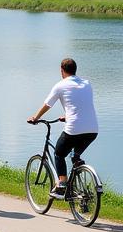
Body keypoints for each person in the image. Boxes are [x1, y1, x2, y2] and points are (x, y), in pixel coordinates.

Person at [27, 57, 98, 199]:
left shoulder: (60, 85)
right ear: (75, 70)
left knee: (59, 154)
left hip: (74, 128)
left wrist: (35, 118)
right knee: (74, 155)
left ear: (62, 70)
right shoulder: (86, 83)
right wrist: (67, 116)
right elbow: (80, 103)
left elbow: (47, 104)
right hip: (92, 130)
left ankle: (62, 185)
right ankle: (81, 193)